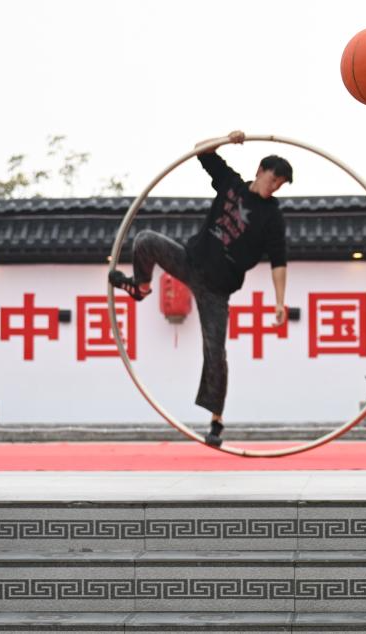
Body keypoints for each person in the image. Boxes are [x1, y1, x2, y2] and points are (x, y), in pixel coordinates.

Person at [109, 130, 292, 447]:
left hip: (217, 289)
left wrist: (279, 302)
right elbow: (201, 151)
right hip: (191, 261)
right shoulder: (231, 183)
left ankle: (216, 422)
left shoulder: (272, 216)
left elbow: (279, 260)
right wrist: (226, 139)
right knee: (145, 241)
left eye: (280, 185)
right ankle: (141, 287)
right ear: (260, 170)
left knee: (215, 351)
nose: (274, 187)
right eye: (273, 179)